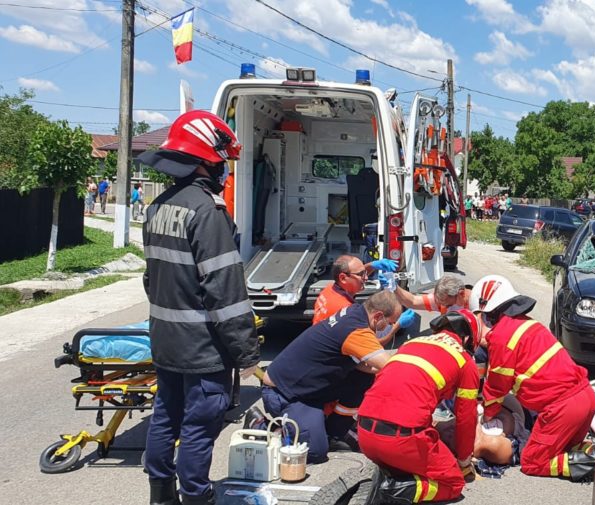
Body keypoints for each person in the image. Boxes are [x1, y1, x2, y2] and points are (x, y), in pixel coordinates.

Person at [136, 110, 260, 505]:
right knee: (199, 424)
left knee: (165, 415)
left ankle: (160, 494)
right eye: (221, 161)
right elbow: (225, 293)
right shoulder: (208, 212)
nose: (224, 170)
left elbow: (151, 280)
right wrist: (246, 353)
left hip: (165, 341)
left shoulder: (158, 207)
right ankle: (195, 495)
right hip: (202, 347)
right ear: (206, 160)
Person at [469, 275, 595, 482]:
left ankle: (586, 465)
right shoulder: (526, 324)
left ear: (486, 313)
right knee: (565, 448)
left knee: (532, 462)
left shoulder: (502, 337)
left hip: (563, 409)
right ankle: (592, 453)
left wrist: (484, 417)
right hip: (585, 398)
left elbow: (496, 389)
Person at [354, 309, 483, 503]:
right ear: (466, 339)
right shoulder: (463, 360)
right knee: (453, 484)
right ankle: (393, 490)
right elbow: (466, 418)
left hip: (365, 434)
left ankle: (390, 472)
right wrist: (464, 461)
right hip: (401, 441)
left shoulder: (410, 344)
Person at [261, 291, 401, 464]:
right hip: (286, 394)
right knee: (314, 451)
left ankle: (336, 430)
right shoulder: (356, 330)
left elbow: (364, 364)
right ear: (378, 316)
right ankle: (264, 427)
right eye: (390, 323)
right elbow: (391, 366)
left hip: (310, 385)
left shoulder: (355, 313)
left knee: (364, 377)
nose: (390, 327)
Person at [393, 275, 470, 315]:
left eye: (449, 305)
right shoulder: (444, 299)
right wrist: (394, 287)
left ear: (461, 294)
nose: (445, 307)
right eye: (442, 304)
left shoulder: (475, 306)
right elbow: (413, 301)